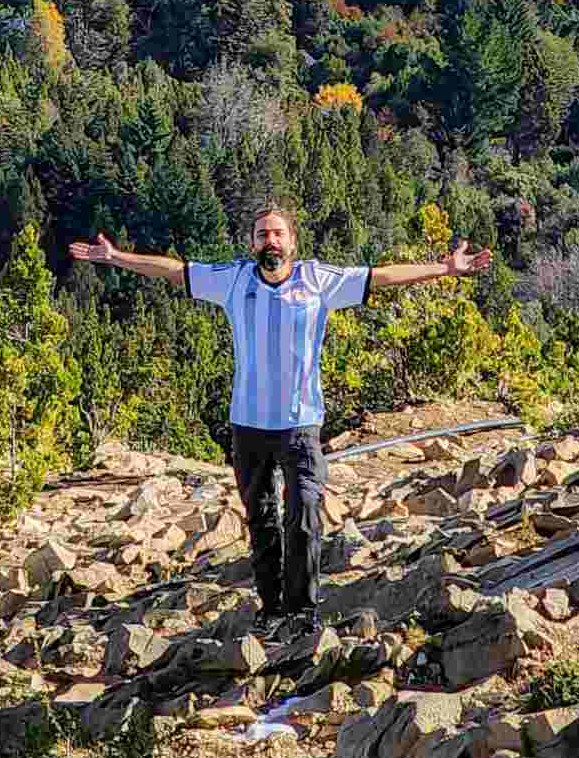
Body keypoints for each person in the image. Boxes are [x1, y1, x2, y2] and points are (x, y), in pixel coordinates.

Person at [70, 200, 492, 627]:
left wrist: (445, 269)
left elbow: (380, 277)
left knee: (305, 515)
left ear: (292, 241)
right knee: (262, 521)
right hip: (248, 424)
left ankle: (302, 610)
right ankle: (272, 611)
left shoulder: (318, 280)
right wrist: (117, 258)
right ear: (252, 243)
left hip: (301, 423)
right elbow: (175, 270)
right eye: (261, 235)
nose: (269, 240)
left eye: (277, 233)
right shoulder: (233, 279)